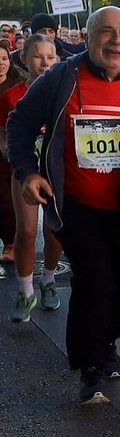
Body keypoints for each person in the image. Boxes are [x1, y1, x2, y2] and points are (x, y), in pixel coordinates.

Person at [7, 7, 120, 404]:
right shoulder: (61, 79)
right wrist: (28, 172)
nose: (117, 41)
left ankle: (107, 344)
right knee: (95, 280)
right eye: (106, 32)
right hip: (78, 204)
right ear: (88, 38)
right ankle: (88, 365)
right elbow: (19, 123)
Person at [6, 34, 65, 318]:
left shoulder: (64, 90)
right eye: (38, 56)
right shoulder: (11, 94)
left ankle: (49, 280)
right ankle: (25, 290)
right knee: (27, 230)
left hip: (56, 170)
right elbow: (6, 131)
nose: (45, 62)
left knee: (54, 231)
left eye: (50, 56)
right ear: (24, 59)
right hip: (25, 169)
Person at [0, 43, 23, 269]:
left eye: (4, 58)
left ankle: (10, 243)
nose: (0, 63)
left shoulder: (16, 88)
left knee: (6, 197)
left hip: (7, 151)